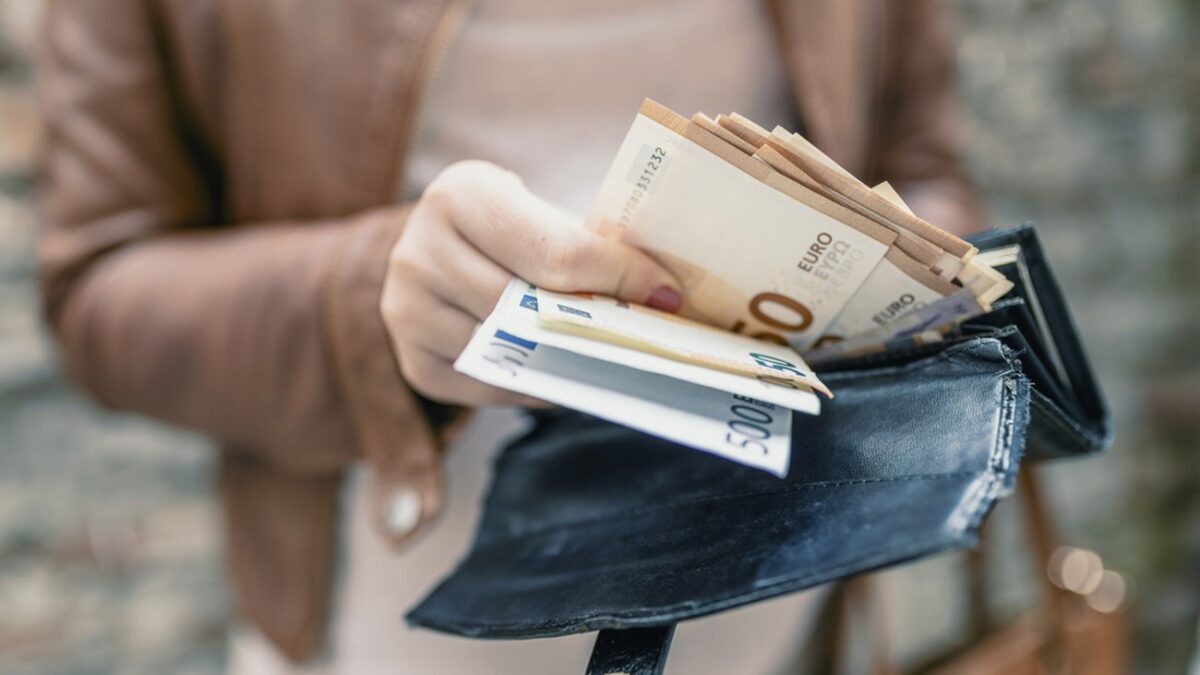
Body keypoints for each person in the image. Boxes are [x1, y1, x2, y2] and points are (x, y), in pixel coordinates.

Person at [37, 0, 982, 672]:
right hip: (382, 634)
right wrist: (369, 293)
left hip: (792, 617)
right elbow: (97, 287)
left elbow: (925, 167)